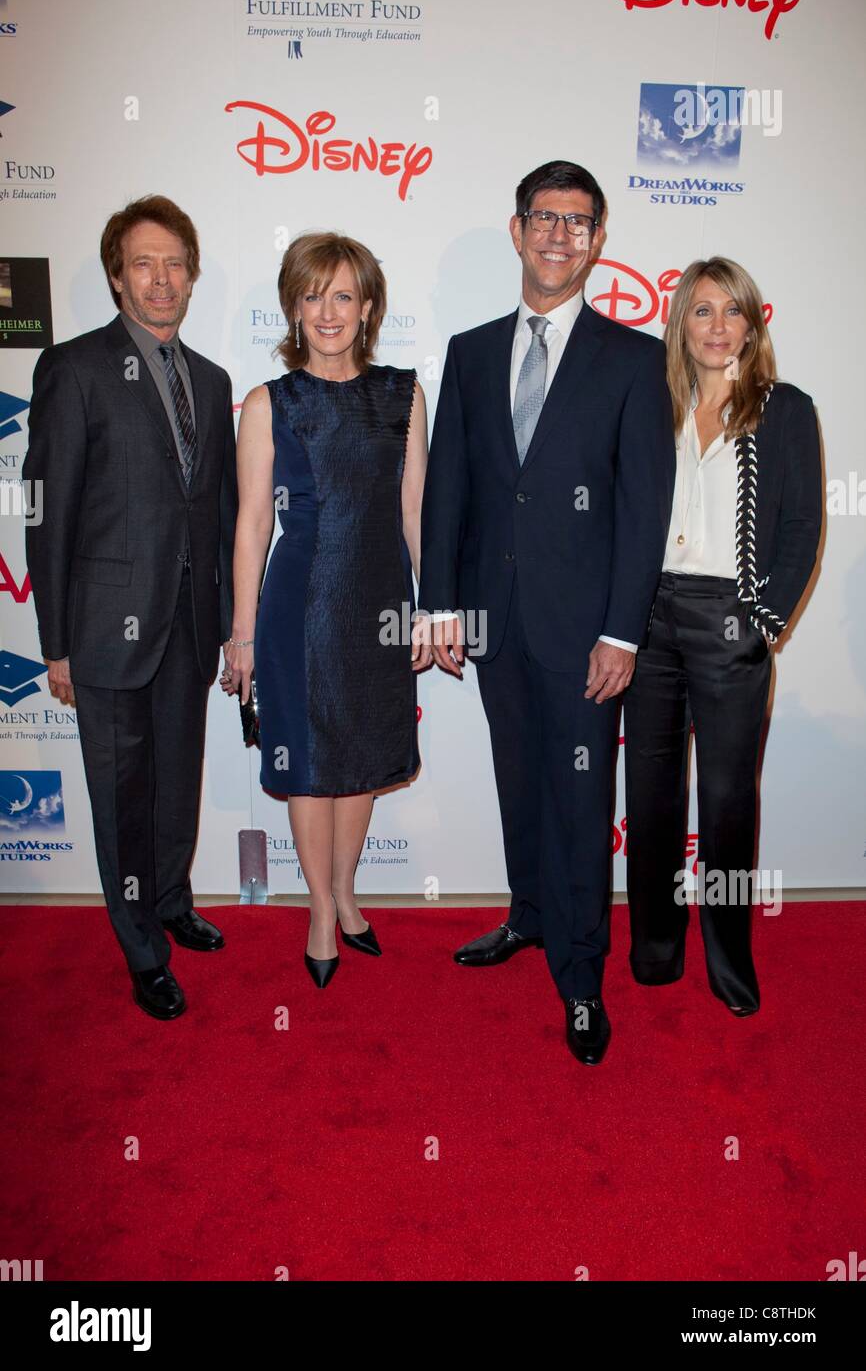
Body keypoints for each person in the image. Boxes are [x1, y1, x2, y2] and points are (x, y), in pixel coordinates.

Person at [419, 161, 675, 1065]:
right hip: (493, 621)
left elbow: (645, 509)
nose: (558, 236)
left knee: (576, 800)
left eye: (578, 222)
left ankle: (580, 979)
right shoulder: (472, 351)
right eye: (543, 218)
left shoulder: (637, 359)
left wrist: (622, 630)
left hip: (584, 637)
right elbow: (449, 485)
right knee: (518, 782)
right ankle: (528, 916)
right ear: (517, 228)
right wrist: (439, 605)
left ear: (598, 241)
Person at [22, 195, 238, 1021]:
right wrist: (56, 642)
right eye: (143, 264)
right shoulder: (73, 369)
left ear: (192, 276)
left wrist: (222, 624)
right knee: (121, 792)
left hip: (189, 624)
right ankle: (141, 945)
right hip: (103, 630)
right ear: (118, 276)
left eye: (174, 263)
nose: (161, 279)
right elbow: (48, 512)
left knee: (177, 777)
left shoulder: (212, 382)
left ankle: (174, 901)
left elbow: (212, 513)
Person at [226, 232, 427, 989]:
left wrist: (430, 608)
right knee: (310, 766)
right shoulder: (268, 402)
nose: (328, 310)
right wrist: (242, 635)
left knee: (362, 760)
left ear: (368, 306)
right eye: (313, 295)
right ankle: (317, 908)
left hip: (379, 603)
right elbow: (251, 523)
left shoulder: (405, 394)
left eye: (343, 294)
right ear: (293, 307)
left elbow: (415, 514)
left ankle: (347, 894)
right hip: (298, 607)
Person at [623, 257, 822, 1015]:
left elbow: (803, 525)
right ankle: (656, 947)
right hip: (649, 618)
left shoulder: (784, 408)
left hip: (733, 620)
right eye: (701, 311)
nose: (716, 327)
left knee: (730, 800)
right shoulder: (651, 402)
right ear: (681, 322)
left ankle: (729, 955)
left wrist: (765, 621)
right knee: (651, 794)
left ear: (753, 322)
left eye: (731, 311)